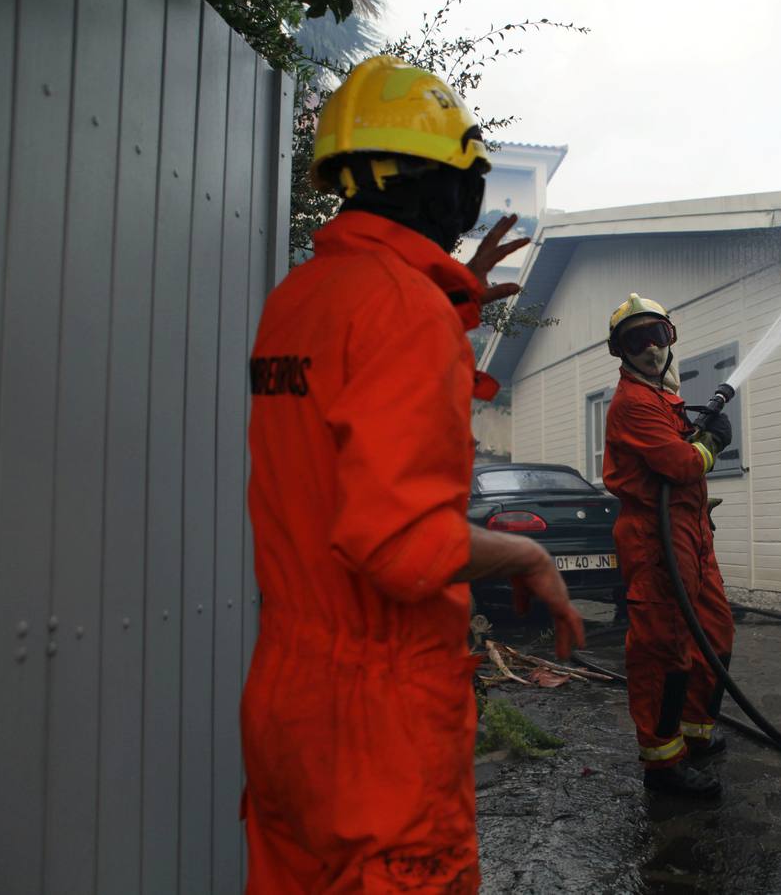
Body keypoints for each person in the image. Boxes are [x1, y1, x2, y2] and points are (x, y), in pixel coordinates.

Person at [241, 55, 585, 893]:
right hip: (378, 722)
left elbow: (355, 395)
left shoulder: (303, 295)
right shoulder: (402, 307)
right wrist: (531, 559)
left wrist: (453, 294)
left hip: (287, 705)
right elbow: (398, 544)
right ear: (446, 184)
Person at [601, 294, 736, 797]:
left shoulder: (662, 396)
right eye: (637, 340)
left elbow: (683, 458)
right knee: (665, 649)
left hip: (692, 532)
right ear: (622, 350)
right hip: (655, 540)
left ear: (670, 338)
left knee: (715, 632)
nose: (651, 349)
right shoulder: (634, 404)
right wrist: (714, 443)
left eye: (658, 336)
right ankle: (663, 763)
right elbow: (681, 466)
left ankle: (696, 732)